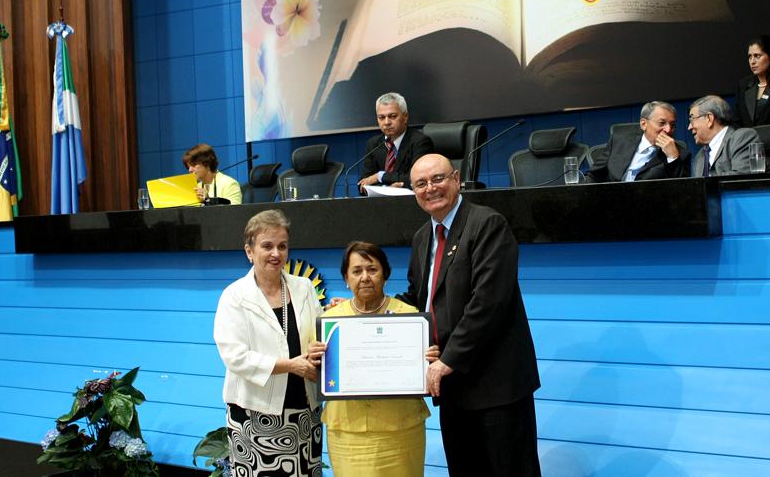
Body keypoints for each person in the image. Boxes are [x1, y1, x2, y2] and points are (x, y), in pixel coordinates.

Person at [403, 154, 541, 476]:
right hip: (454, 389)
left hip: (496, 387)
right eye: (421, 184)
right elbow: (418, 299)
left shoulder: (487, 224)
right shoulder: (422, 237)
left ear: (456, 179)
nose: (430, 188)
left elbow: (488, 303)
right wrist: (363, 311)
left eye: (438, 179)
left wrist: (446, 361)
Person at [213, 209, 326, 477]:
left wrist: (317, 355)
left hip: (305, 412)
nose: (276, 253)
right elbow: (235, 356)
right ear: (249, 251)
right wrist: (290, 365)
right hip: (254, 415)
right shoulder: (234, 296)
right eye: (267, 246)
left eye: (282, 246)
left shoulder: (304, 287)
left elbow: (319, 337)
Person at [322, 241, 439, 477]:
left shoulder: (409, 316)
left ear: (385, 275)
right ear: (346, 278)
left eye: (372, 269)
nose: (365, 277)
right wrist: (315, 360)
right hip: (347, 434)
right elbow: (315, 372)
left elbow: (426, 371)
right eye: (356, 271)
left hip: (401, 431)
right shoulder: (329, 321)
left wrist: (430, 361)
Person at [588, 101, 690, 182]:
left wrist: (673, 158)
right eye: (662, 123)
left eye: (672, 125)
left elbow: (682, 190)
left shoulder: (681, 154)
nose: (668, 129)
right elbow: (593, 176)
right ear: (643, 124)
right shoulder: (618, 141)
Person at [357, 93, 434, 193]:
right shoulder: (373, 144)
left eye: (392, 116)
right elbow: (363, 183)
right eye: (381, 117)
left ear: (405, 116)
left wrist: (380, 176)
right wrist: (388, 188)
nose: (387, 122)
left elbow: (418, 178)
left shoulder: (420, 142)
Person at [689, 95, 762, 177]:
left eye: (692, 120)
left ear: (709, 118)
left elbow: (744, 177)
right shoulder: (699, 156)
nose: (689, 127)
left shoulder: (742, 138)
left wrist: (708, 179)